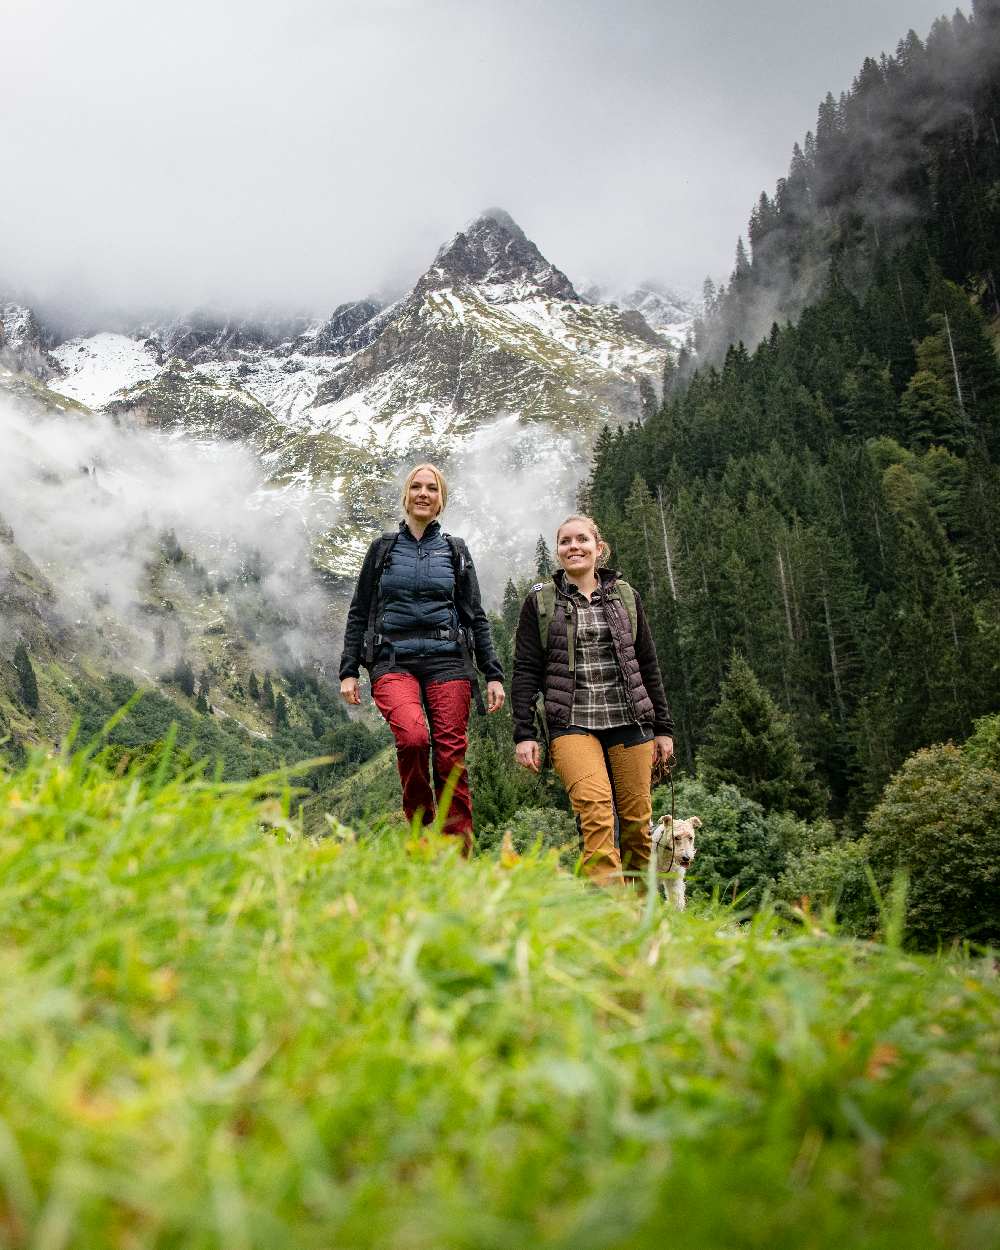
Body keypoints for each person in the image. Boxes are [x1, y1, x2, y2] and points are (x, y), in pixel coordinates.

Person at [340, 463, 505, 855]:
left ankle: (457, 857)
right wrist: (349, 669)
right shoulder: (382, 550)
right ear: (406, 495)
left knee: (450, 757)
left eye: (432, 488)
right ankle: (420, 827)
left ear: (441, 500)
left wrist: (493, 673)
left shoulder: (455, 551)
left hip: (449, 661)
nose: (423, 493)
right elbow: (359, 610)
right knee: (413, 738)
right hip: (392, 660)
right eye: (417, 486)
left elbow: (474, 616)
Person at [511, 514, 674, 886]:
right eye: (565, 542)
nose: (574, 547)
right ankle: (611, 916)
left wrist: (663, 728)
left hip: (630, 720)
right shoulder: (540, 602)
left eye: (581, 540)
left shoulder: (626, 596)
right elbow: (525, 672)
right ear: (558, 551)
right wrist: (524, 734)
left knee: (636, 826)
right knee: (596, 814)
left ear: (598, 548)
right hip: (571, 723)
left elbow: (648, 664)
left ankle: (640, 921)